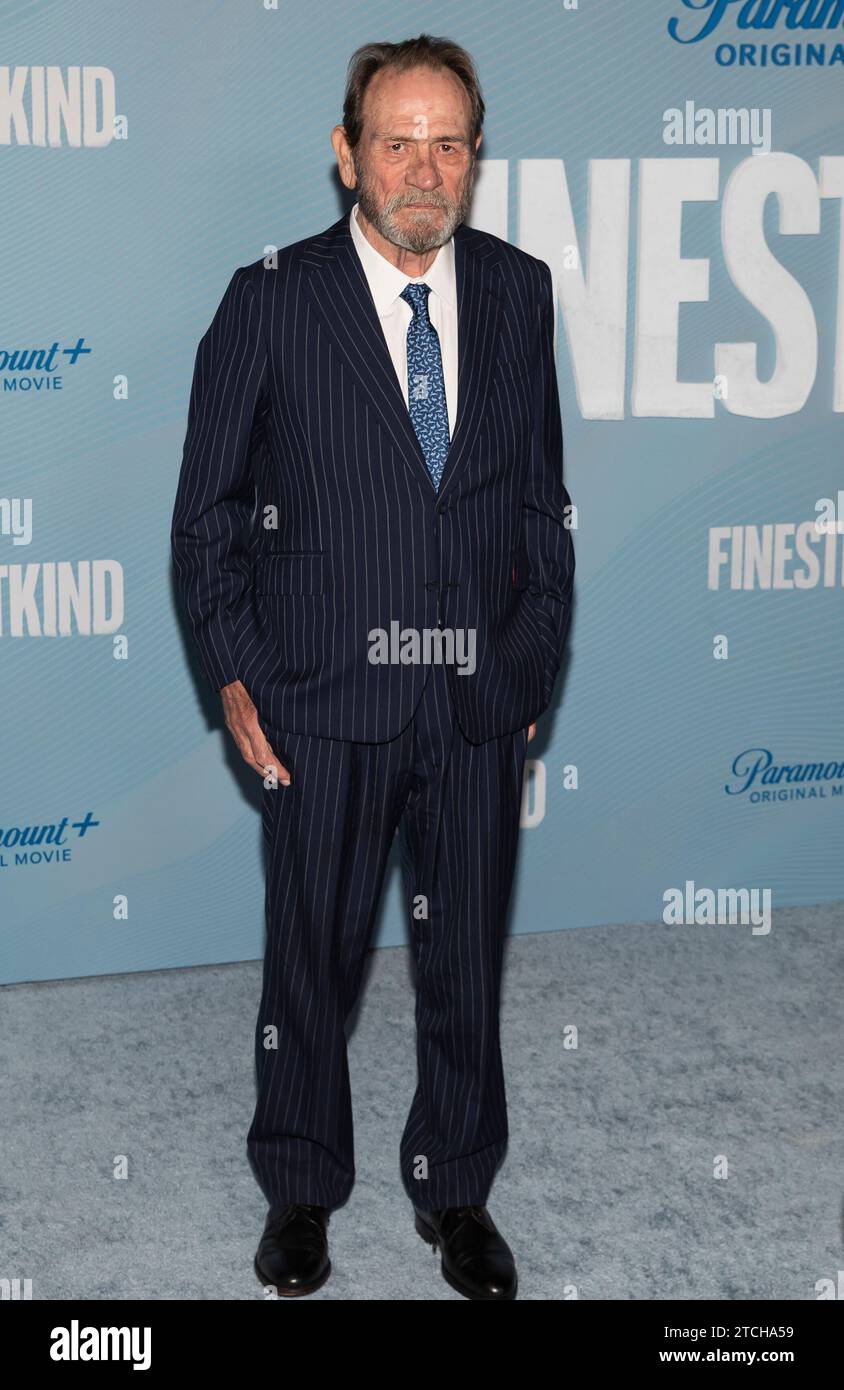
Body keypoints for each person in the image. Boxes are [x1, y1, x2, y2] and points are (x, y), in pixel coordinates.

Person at [171, 32, 575, 1301]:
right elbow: (207, 517)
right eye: (397, 141)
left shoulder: (516, 291)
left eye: (447, 143)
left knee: (463, 963)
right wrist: (241, 674)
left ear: (475, 157)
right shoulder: (270, 299)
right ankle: (300, 1185)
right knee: (314, 958)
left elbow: (540, 502)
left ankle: (456, 1190)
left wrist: (528, 667)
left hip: (473, 699)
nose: (423, 168)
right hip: (321, 700)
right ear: (347, 154)